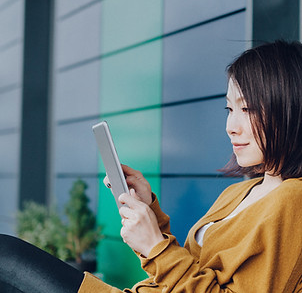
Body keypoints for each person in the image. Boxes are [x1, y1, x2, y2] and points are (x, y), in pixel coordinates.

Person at [1, 39, 302, 292]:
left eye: (246, 109)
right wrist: (151, 217)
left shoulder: (294, 200)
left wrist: (156, 245)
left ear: (289, 110)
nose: (230, 126)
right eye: (229, 108)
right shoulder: (239, 192)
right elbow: (190, 273)